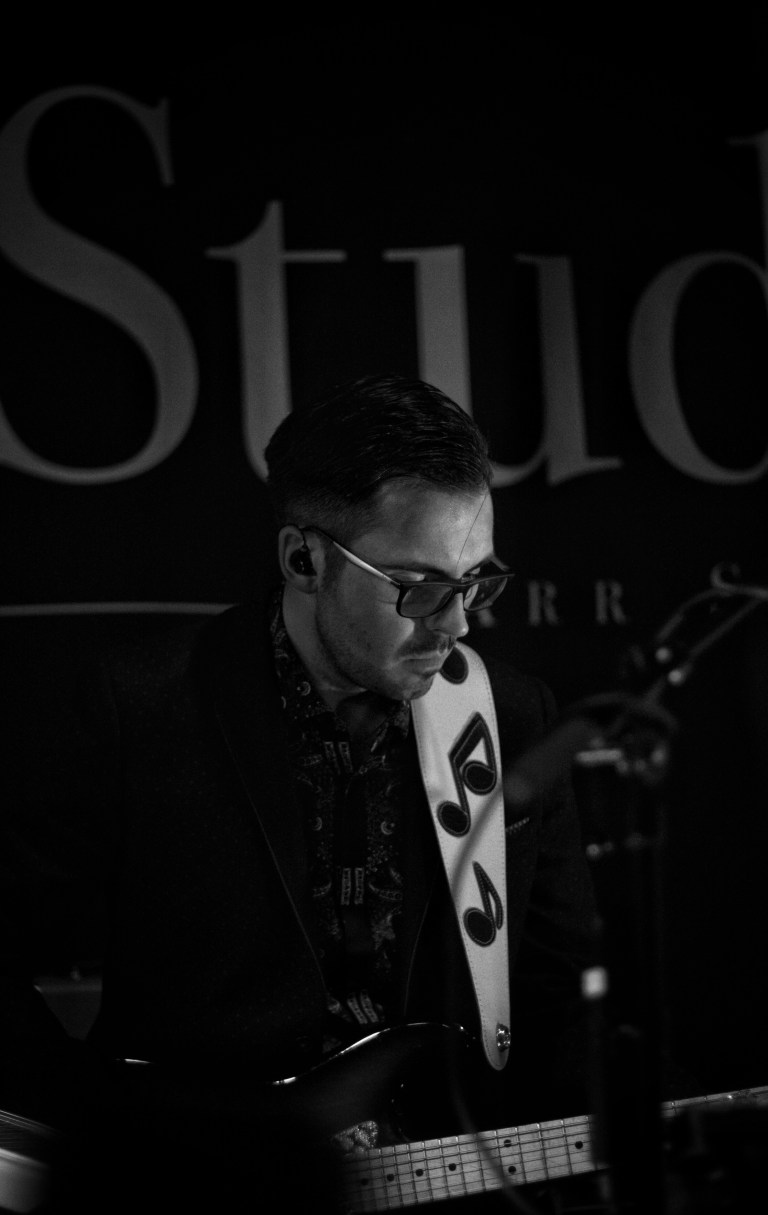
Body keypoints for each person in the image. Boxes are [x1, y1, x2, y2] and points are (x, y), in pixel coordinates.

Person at [1, 373, 597, 1212]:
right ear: (304, 559)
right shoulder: (139, 706)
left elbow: (563, 994)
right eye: (421, 587)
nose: (458, 623)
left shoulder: (512, 714)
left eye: (477, 582)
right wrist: (104, 1143)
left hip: (445, 1186)